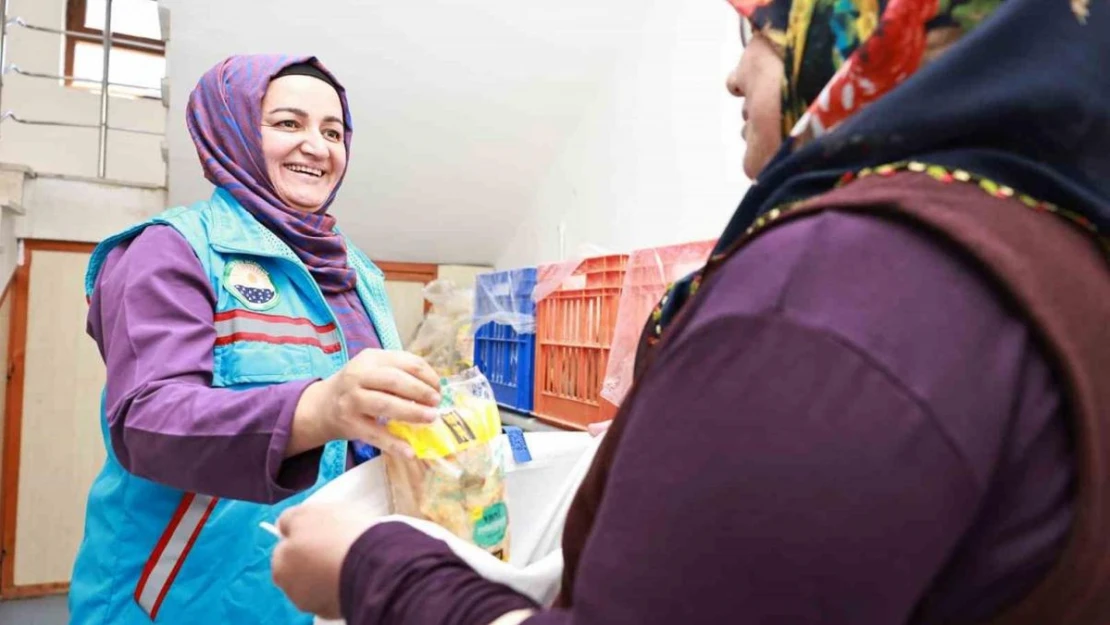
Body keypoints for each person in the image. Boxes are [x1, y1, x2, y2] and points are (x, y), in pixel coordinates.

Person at [270, 1, 1110, 624]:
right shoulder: (1049, 248)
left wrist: (372, 570)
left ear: (868, 27)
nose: (734, 72)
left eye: (760, 33)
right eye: (287, 123)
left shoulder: (831, 298)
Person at [69, 55, 444, 625]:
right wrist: (320, 407)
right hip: (182, 603)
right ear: (234, 130)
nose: (317, 147)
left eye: (333, 131)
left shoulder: (356, 270)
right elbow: (148, 423)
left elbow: (357, 431)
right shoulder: (169, 250)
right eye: (288, 124)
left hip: (316, 592)